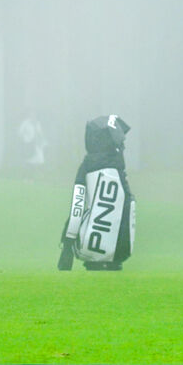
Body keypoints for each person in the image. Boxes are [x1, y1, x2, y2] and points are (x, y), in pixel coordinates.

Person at [57, 115, 135, 271]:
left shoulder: (87, 166)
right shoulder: (118, 164)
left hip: (89, 248)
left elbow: (77, 208)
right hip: (121, 250)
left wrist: (68, 244)